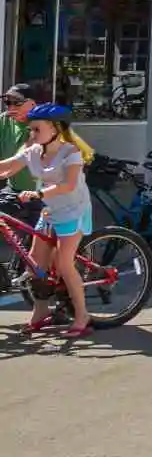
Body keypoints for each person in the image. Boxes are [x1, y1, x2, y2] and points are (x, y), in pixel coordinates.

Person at [0, 104, 95, 337]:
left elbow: (69, 185)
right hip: (51, 212)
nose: (31, 134)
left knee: (64, 264)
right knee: (35, 265)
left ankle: (82, 315)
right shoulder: (33, 151)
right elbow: (8, 166)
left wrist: (38, 194)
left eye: (36, 129)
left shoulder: (70, 153)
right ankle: (41, 312)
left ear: (54, 128)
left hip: (73, 211)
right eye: (30, 130)